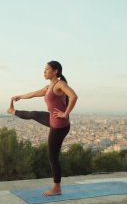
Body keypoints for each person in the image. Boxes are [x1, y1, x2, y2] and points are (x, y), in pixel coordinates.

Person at [7, 60, 78, 196]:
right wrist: (19, 97)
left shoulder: (60, 84)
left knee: (53, 156)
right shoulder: (48, 87)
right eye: (44, 69)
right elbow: (33, 93)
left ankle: (57, 188)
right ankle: (12, 111)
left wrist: (65, 113)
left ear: (55, 71)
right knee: (33, 114)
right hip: (53, 119)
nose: (44, 72)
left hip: (59, 126)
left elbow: (74, 96)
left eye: (47, 69)